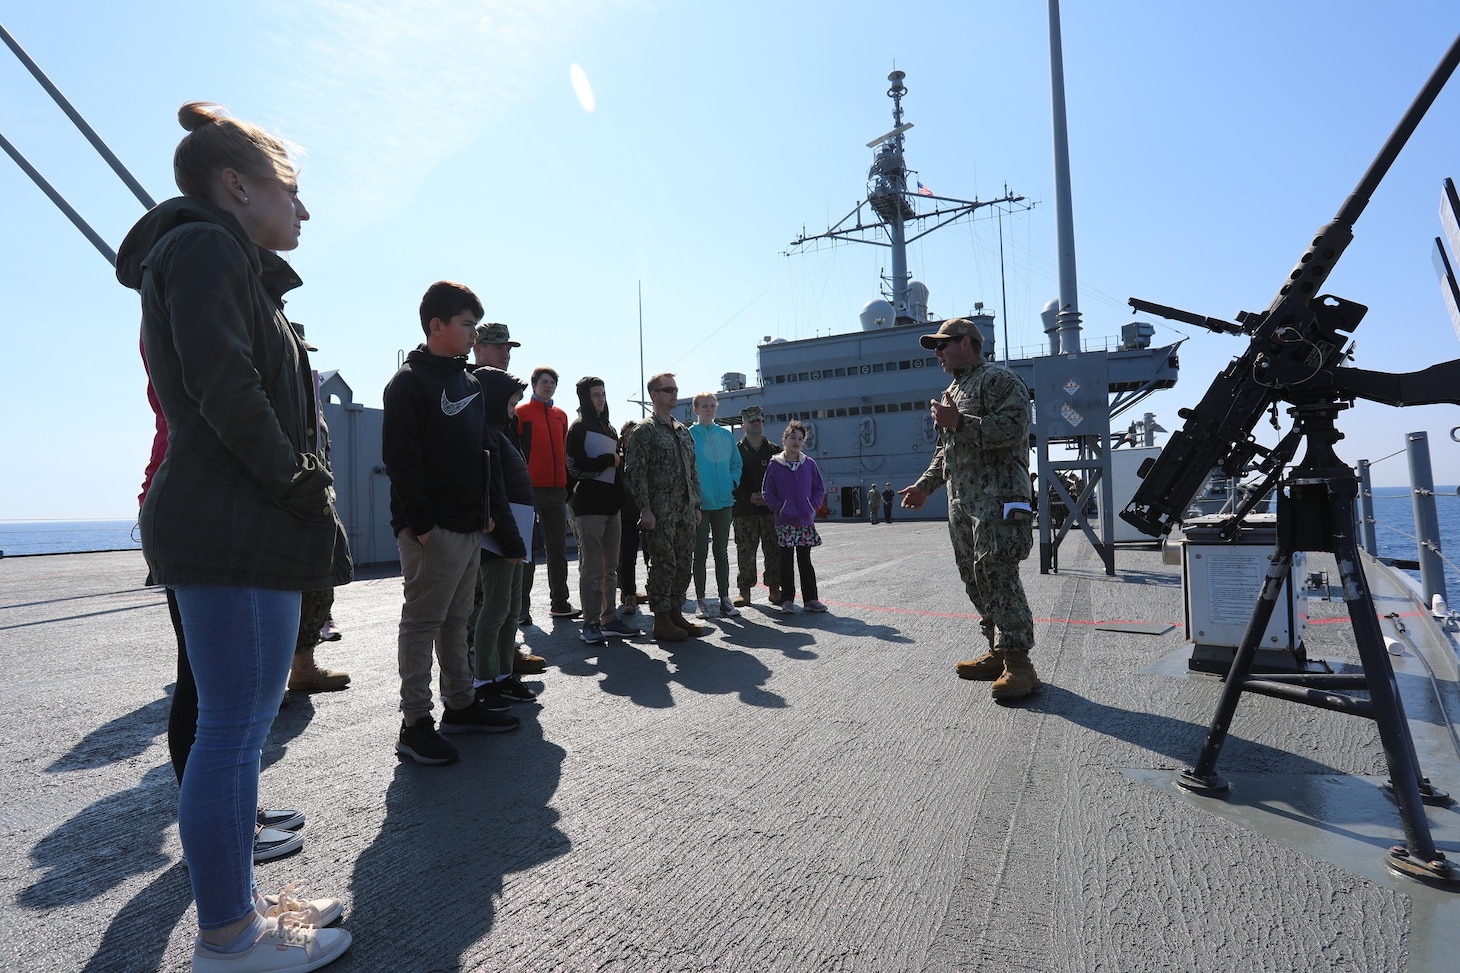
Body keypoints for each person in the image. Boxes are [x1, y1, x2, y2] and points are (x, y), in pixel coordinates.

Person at [116, 101, 352, 971]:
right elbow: (227, 386)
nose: (303, 210)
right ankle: (226, 938)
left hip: (234, 519)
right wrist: (300, 485)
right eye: (292, 192)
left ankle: (239, 910)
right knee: (231, 728)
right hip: (232, 520)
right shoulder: (208, 246)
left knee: (239, 728)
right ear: (235, 185)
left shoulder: (218, 257)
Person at [383, 280, 520, 769]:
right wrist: (421, 525)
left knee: (457, 620)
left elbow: (481, 455)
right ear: (436, 325)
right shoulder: (409, 382)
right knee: (422, 623)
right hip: (431, 529)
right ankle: (415, 724)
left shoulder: (470, 384)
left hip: (468, 526)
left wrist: (486, 518)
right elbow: (401, 460)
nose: (472, 334)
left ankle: (460, 705)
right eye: (466, 324)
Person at [897, 317, 1039, 700]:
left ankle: (1020, 664)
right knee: (973, 576)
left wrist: (958, 421)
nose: (938, 353)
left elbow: (1013, 428)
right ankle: (997, 650)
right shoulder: (953, 391)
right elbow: (946, 451)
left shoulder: (999, 380)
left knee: (998, 572)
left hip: (999, 497)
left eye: (944, 345)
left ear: (968, 343)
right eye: (936, 348)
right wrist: (925, 487)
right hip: (962, 502)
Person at [469, 367, 540, 708]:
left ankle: (502, 675)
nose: (514, 410)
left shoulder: (501, 431)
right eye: (511, 403)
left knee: (511, 608)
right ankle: (484, 680)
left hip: (515, 535)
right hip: (502, 540)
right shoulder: (488, 434)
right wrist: (513, 541)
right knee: (495, 608)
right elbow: (496, 494)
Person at [623, 373, 706, 641]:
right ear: (654, 395)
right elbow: (634, 472)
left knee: (684, 563)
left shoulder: (682, 431)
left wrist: (695, 504)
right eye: (668, 389)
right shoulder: (644, 431)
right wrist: (644, 508)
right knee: (663, 563)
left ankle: (675, 611)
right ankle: (661, 619)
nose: (674, 393)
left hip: (684, 509)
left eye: (675, 389)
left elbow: (691, 470)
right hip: (659, 512)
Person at [566, 377, 642, 644]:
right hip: (588, 509)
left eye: (603, 394)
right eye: (595, 395)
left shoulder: (609, 428)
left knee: (611, 568)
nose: (600, 399)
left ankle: (608, 619)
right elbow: (573, 467)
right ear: (584, 398)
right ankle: (590, 623)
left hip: (613, 508)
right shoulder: (577, 429)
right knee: (592, 568)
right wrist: (607, 460)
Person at [517, 367, 577, 623]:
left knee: (557, 550)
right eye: (544, 382)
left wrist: (567, 486)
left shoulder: (561, 416)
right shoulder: (520, 414)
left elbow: (565, 451)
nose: (548, 385)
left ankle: (560, 603)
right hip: (529, 490)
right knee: (527, 552)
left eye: (552, 382)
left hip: (556, 490)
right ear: (534, 384)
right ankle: (521, 609)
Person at [761, 420, 827, 613]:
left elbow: (819, 489)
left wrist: (811, 506)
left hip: (804, 521)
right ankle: (787, 600)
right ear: (784, 440)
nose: (796, 442)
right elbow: (767, 491)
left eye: (800, 439)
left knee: (805, 561)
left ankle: (811, 600)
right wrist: (780, 508)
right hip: (785, 521)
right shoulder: (775, 464)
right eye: (792, 438)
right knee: (786, 561)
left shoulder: (809, 464)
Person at [689, 392, 743, 619]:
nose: (709, 409)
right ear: (696, 409)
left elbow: (736, 464)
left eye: (712, 405)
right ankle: (701, 600)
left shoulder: (725, 436)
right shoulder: (688, 435)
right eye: (704, 406)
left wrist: (732, 481)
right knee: (699, 553)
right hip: (700, 505)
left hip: (723, 503)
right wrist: (693, 500)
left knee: (721, 552)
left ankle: (724, 598)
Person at [731, 406, 781, 606]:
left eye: (759, 420)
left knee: (774, 550)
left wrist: (771, 497)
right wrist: (747, 498)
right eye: (752, 421)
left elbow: (782, 481)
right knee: (745, 551)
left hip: (770, 511)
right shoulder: (734, 452)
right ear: (743, 424)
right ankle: (745, 591)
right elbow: (730, 481)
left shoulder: (775, 451)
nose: (756, 423)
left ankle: (775, 589)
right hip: (744, 511)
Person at [617, 420, 648, 615]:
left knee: (651, 555)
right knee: (627, 558)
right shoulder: (618, 460)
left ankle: (656, 592)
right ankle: (629, 595)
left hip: (646, 512)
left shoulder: (646, 457)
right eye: (629, 434)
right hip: (626, 515)